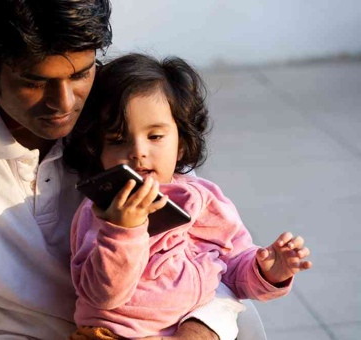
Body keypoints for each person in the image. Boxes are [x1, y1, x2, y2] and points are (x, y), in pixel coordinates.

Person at [0, 1, 245, 339]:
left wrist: (202, 326)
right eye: (35, 82)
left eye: (80, 74)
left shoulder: (113, 109)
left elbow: (208, 241)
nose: (64, 103)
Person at [63, 53, 312, 339]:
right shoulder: (102, 211)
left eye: (155, 136)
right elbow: (102, 295)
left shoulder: (204, 199)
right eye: (118, 140)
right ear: (99, 150)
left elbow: (233, 270)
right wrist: (123, 231)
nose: (137, 151)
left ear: (181, 144)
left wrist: (267, 272)